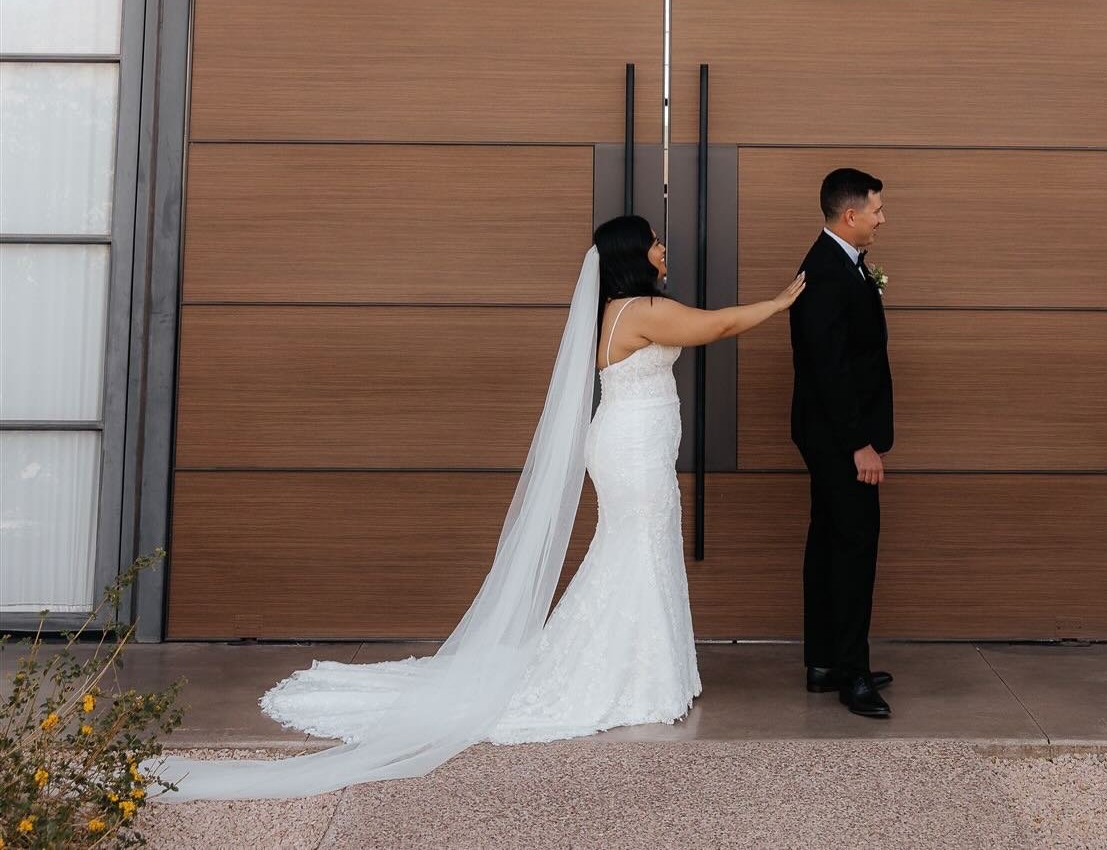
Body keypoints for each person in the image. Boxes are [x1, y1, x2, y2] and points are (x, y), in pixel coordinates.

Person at [151, 214, 803, 803]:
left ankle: (644, 667)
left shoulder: (619, 309)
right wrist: (778, 303)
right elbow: (715, 326)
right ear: (635, 254)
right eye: (655, 241)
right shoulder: (638, 310)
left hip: (631, 443)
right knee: (635, 548)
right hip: (631, 448)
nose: (664, 248)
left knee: (634, 549)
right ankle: (626, 673)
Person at [790, 168, 894, 719]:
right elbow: (829, 370)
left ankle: (826, 660)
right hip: (837, 437)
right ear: (850, 215)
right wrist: (860, 444)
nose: (882, 218)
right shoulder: (828, 272)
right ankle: (851, 673)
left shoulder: (837, 263)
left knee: (830, 541)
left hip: (828, 432)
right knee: (853, 546)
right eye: (877, 209)